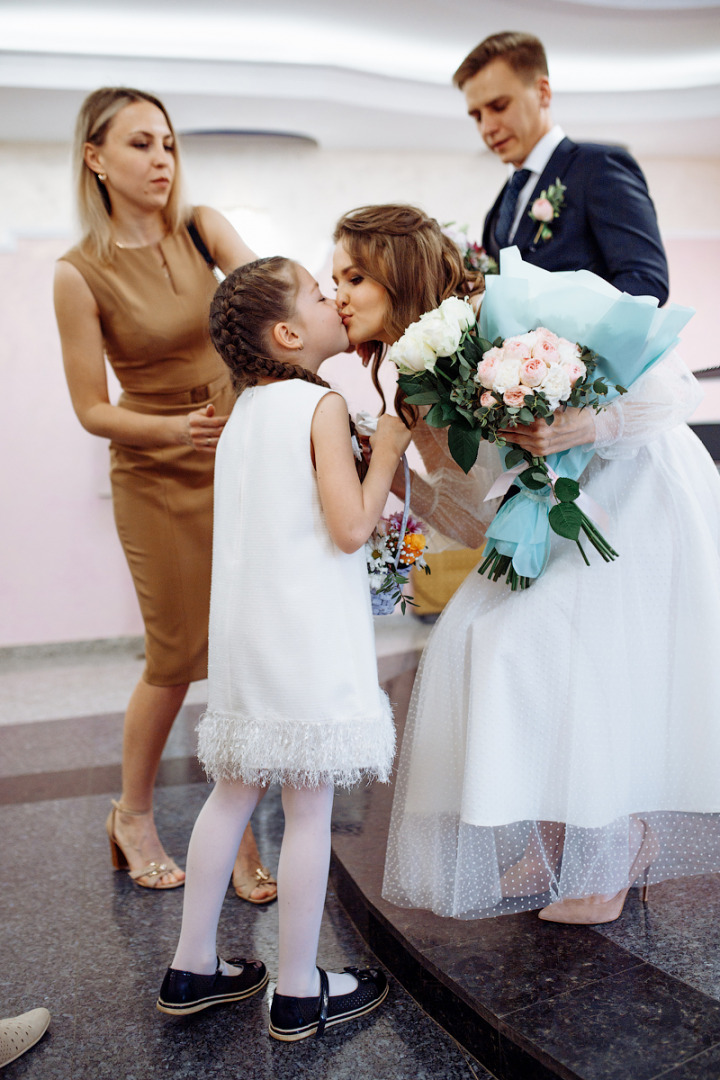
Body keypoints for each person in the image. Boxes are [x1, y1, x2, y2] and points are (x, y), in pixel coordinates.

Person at [333, 203, 720, 925]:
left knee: (544, 646)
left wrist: (585, 422)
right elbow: (474, 517)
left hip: (632, 489)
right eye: (333, 282)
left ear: (400, 271)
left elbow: (670, 387)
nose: (339, 296)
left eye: (354, 276)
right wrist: (388, 475)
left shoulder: (510, 303)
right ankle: (554, 830)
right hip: (547, 512)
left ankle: (613, 844)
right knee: (484, 638)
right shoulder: (416, 386)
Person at [157, 256, 404, 1038]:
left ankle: (193, 964)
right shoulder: (318, 404)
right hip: (305, 638)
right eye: (316, 290)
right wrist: (390, 448)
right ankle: (300, 989)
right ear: (291, 333)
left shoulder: (245, 414)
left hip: (245, 636)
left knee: (232, 793)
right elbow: (351, 527)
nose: (336, 296)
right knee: (308, 807)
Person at [53, 87, 275, 901]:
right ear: (96, 158)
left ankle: (239, 826)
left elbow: (268, 303)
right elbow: (90, 408)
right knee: (178, 657)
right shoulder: (79, 274)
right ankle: (133, 814)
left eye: (169, 145)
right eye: (141, 144)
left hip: (234, 457)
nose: (161, 161)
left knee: (241, 651)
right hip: (155, 470)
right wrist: (177, 432)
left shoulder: (201, 227)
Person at [454, 31, 669, 303]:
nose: (487, 128)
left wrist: (558, 338)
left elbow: (646, 281)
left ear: (543, 93)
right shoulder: (496, 212)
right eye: (477, 116)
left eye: (499, 106)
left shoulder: (598, 167)